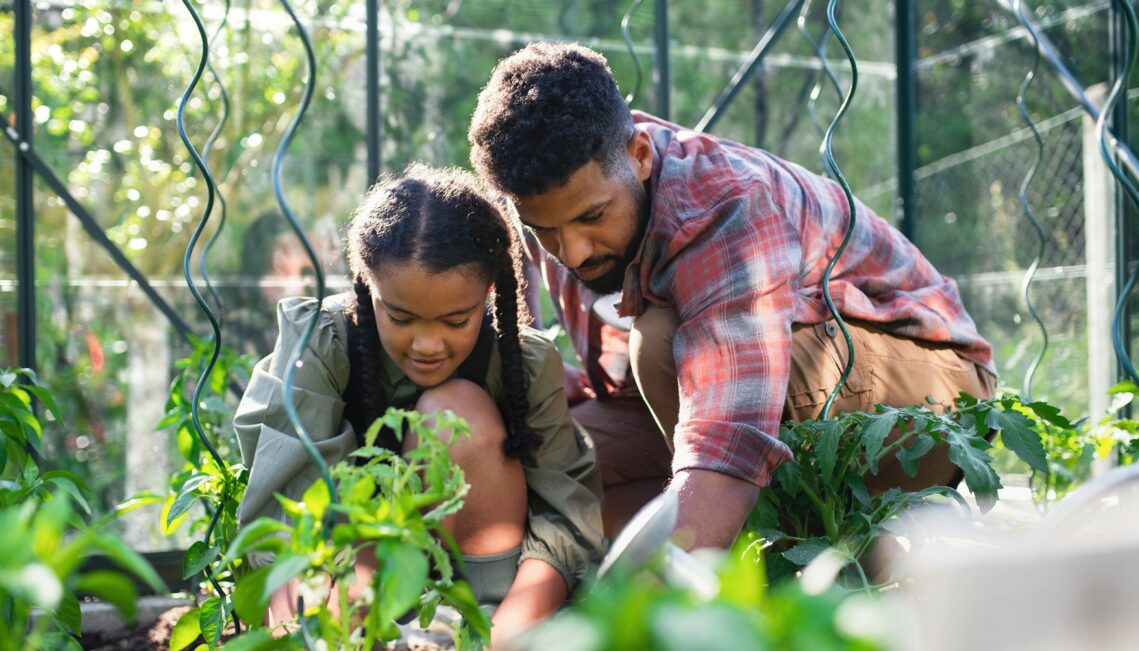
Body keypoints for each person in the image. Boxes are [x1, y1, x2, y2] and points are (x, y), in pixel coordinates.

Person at [468, 42, 997, 550]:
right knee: (553, 474)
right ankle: (721, 553)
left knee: (660, 341)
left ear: (640, 155)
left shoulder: (722, 207)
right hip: (771, 386)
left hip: (932, 395)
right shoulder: (544, 191)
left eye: (592, 217)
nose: (574, 252)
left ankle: (782, 559)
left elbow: (728, 433)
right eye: (546, 231)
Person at [233, 164, 604, 644]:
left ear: (489, 294)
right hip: (354, 581)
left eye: (455, 320)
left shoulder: (521, 361)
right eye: (401, 317)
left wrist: (501, 635)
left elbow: (566, 519)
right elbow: (287, 524)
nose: (427, 344)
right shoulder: (322, 343)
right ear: (367, 286)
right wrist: (313, 634)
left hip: (483, 592)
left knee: (453, 414)